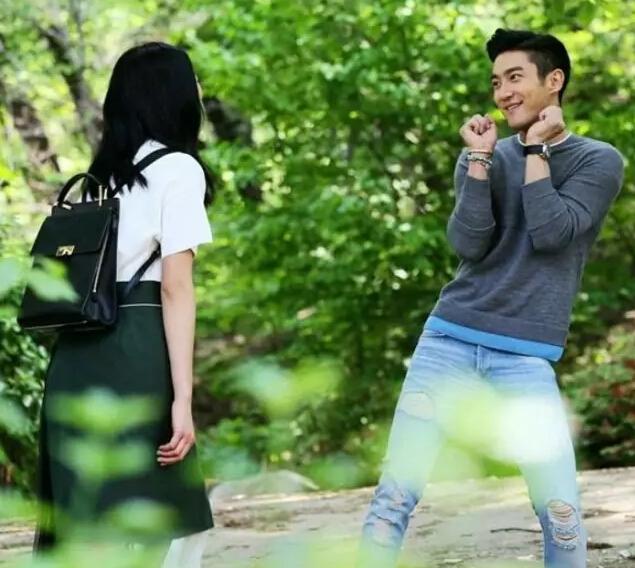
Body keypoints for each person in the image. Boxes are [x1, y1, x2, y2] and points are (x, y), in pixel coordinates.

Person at [358, 28, 624, 568]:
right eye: (496, 82)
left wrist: (536, 150)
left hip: (526, 355)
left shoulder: (598, 160)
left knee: (560, 510)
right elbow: (468, 244)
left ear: (555, 80)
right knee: (395, 495)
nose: (502, 92)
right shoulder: (484, 156)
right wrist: (478, 161)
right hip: (448, 340)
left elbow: (551, 232)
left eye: (514, 77)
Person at [35, 42, 214, 567]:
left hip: (73, 359)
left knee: (89, 526)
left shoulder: (99, 179)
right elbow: (175, 287)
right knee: (164, 521)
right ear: (172, 94)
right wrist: (183, 399)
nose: (199, 89)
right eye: (193, 79)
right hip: (136, 350)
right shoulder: (179, 168)